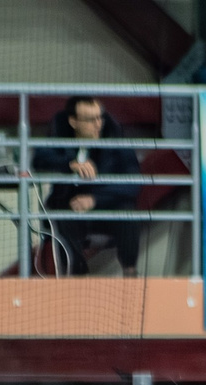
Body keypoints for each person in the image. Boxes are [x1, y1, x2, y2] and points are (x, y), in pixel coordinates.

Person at [34, 97, 143, 276]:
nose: (97, 124)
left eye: (100, 117)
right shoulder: (60, 136)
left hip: (106, 207)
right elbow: (40, 159)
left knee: (128, 211)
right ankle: (76, 275)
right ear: (73, 121)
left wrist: (94, 200)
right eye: (90, 119)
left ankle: (130, 272)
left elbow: (133, 183)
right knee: (61, 215)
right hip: (71, 207)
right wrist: (70, 163)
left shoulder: (116, 139)